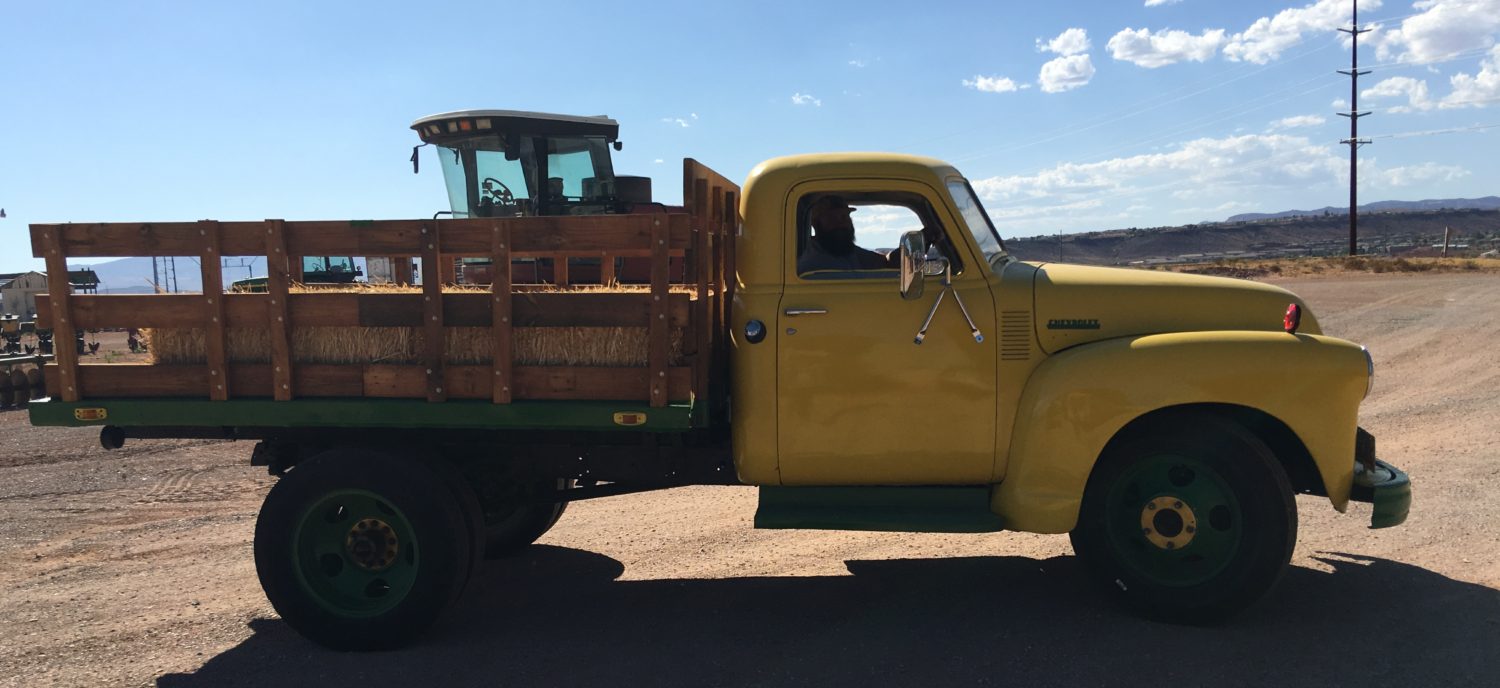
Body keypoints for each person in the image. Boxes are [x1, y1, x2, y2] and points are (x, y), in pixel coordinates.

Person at [797, 196, 896, 274]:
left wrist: (896, 257)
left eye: (844, 216)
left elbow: (879, 261)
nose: (841, 222)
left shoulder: (843, 249)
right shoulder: (813, 265)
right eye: (832, 217)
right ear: (815, 223)